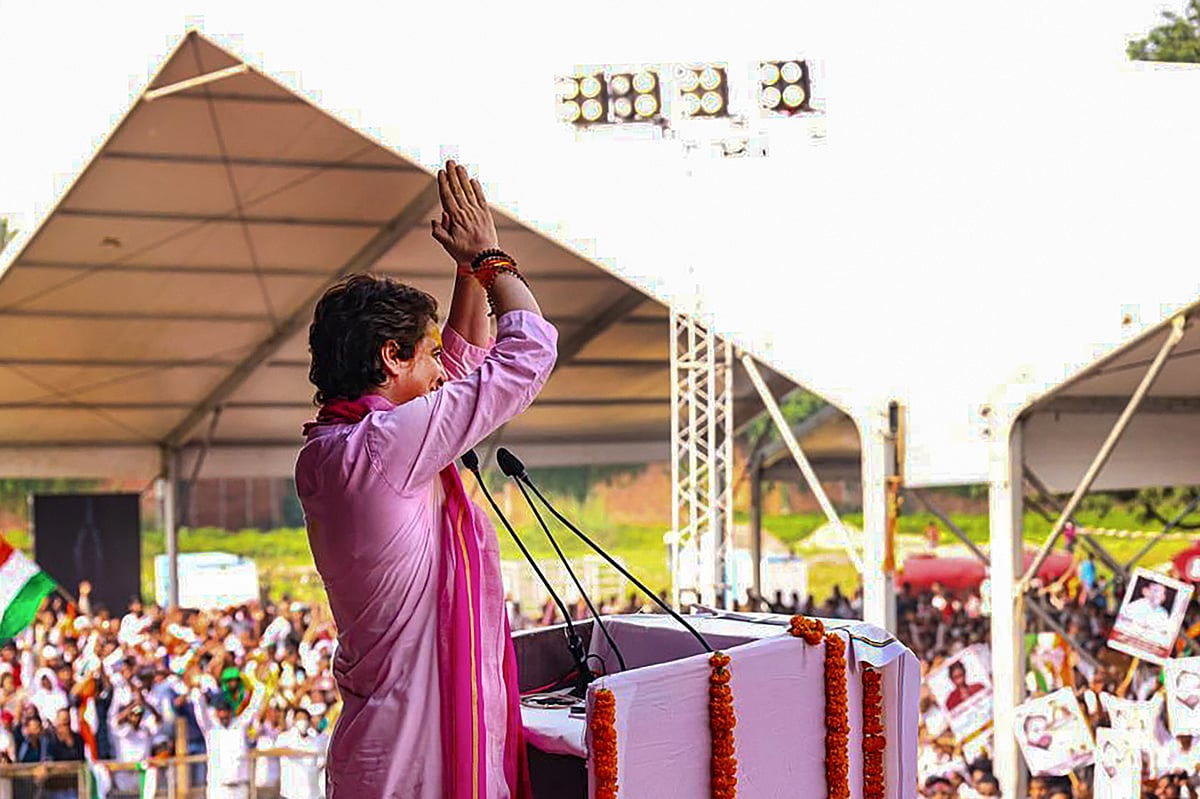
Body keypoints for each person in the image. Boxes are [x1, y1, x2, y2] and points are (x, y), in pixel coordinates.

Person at [296, 161, 556, 799]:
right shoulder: (384, 447)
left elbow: (459, 372)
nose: (444, 367)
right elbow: (527, 355)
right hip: (420, 762)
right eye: (428, 352)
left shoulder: (339, 447)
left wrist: (466, 276)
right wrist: (493, 262)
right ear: (391, 357)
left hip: (385, 750)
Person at [276, 708, 326, 799]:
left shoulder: (315, 742)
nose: (302, 722)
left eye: (305, 719)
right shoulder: (285, 738)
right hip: (290, 794)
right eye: (299, 719)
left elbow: (321, 764)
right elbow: (277, 750)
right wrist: (296, 753)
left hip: (312, 794)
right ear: (294, 721)